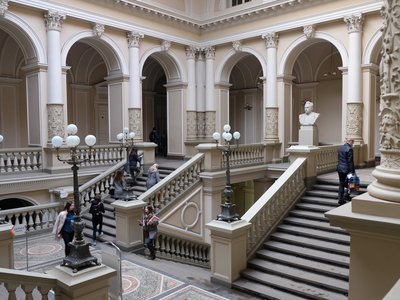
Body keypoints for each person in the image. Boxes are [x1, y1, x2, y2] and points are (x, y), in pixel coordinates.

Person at [336, 138, 355, 205]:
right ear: (350, 142)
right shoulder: (349, 149)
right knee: (350, 183)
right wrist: (352, 171)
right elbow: (350, 162)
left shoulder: (340, 148)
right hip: (347, 169)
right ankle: (346, 195)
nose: (353, 143)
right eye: (352, 142)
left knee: (341, 183)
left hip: (340, 169)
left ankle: (340, 199)